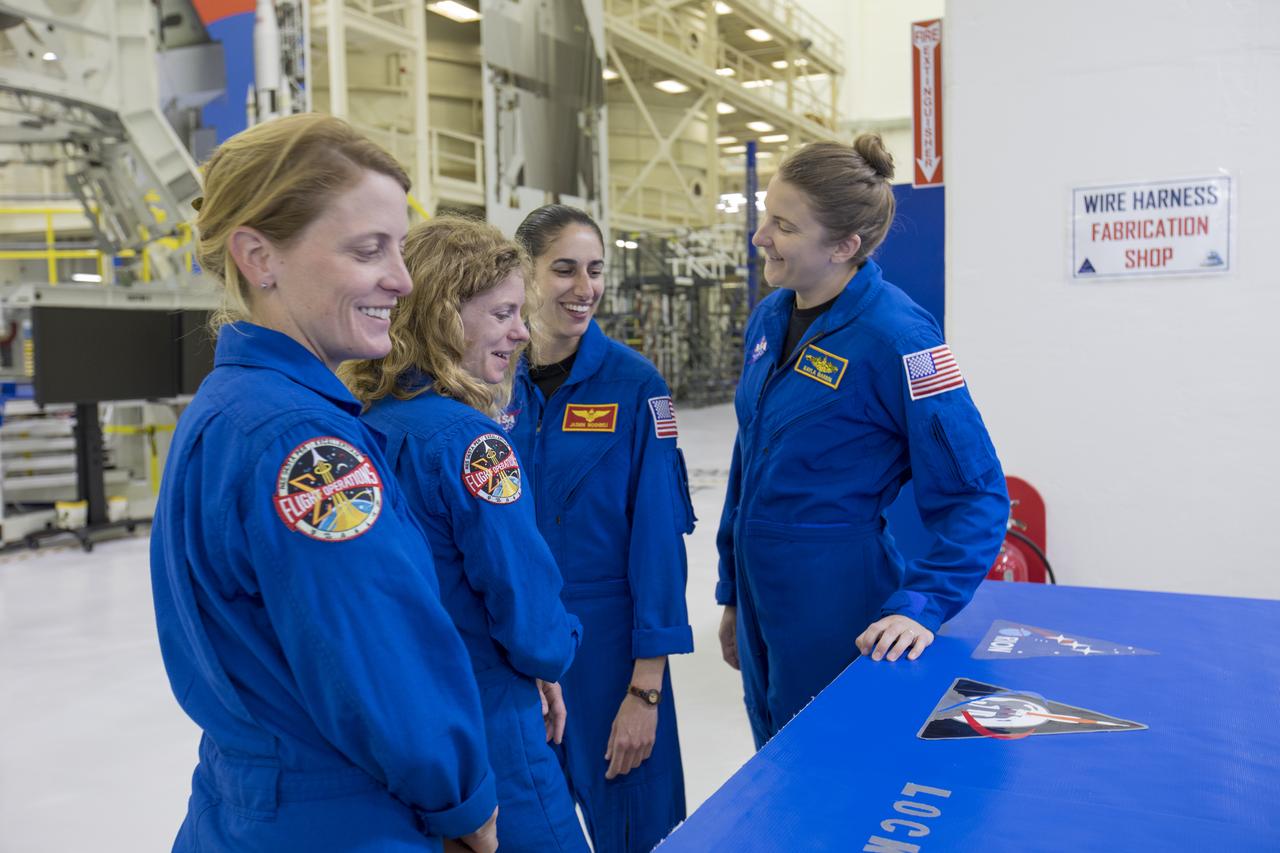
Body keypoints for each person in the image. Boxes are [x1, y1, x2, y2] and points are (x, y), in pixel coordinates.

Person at [149, 114, 499, 852]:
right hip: (341, 816)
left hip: (241, 804)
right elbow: (380, 655)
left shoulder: (225, 410)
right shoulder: (304, 444)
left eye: (399, 248)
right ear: (258, 256)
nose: (401, 280)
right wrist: (464, 799)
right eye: (368, 249)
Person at [715, 134, 1010, 748]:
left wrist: (923, 602)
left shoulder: (898, 336)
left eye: (783, 226)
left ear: (845, 246)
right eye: (765, 216)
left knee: (829, 762)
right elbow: (750, 457)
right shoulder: (771, 317)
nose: (759, 237)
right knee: (773, 758)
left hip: (838, 597)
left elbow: (977, 494)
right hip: (759, 590)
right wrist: (732, 594)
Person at [342, 216, 589, 853]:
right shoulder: (471, 443)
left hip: (406, 728)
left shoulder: (363, 426)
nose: (522, 333)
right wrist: (549, 657)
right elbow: (529, 618)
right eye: (504, 312)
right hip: (491, 725)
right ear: (445, 314)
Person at [504, 204, 696, 852]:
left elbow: (659, 546)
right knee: (526, 828)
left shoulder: (636, 386)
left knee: (640, 829)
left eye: (594, 270)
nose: (583, 288)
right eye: (563, 269)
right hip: (518, 648)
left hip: (612, 649)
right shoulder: (490, 384)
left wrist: (645, 690)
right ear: (524, 271)